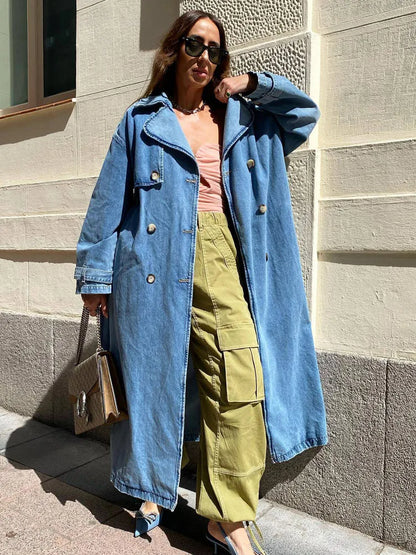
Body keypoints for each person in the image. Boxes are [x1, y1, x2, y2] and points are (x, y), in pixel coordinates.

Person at [74, 9, 328, 555]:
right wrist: (96, 276)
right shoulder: (141, 121)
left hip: (223, 255)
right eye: (194, 45)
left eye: (214, 49)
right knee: (154, 380)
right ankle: (150, 490)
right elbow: (107, 202)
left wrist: (252, 83)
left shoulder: (243, 117)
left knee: (241, 380)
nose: (205, 57)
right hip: (150, 265)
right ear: (174, 51)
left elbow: (304, 114)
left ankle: (226, 516)